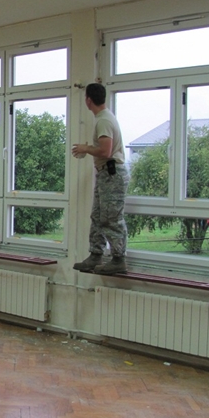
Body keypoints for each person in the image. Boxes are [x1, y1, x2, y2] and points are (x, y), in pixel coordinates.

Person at [71, 83, 130, 275]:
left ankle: (118, 259)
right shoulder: (103, 118)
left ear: (88, 99)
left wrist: (85, 149)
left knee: (111, 218)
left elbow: (106, 150)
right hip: (105, 173)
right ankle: (95, 254)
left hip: (112, 174)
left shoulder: (103, 120)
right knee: (97, 216)